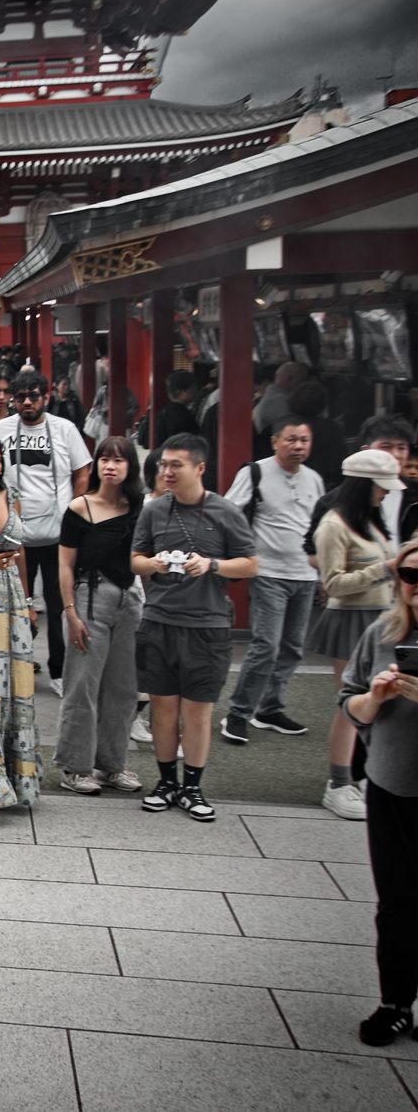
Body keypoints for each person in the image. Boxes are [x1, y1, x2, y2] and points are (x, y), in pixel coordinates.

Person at [130, 434, 257, 823]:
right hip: (159, 620)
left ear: (200, 468)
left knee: (199, 711)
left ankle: (193, 787)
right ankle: (166, 782)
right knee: (163, 709)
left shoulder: (225, 511)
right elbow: (135, 559)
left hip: (207, 625)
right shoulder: (154, 510)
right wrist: (152, 563)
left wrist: (211, 564)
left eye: (176, 465)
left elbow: (250, 564)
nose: (167, 472)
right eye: (164, 464)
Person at [338, 538, 418, 1047]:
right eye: (410, 575)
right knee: (397, 900)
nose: (417, 586)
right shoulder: (383, 633)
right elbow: (349, 702)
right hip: (391, 783)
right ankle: (395, 1003)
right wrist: (375, 698)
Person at [309, 450, 402, 821]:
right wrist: (386, 569)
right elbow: (333, 584)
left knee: (379, 702)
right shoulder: (334, 524)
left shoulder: (370, 520)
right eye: (381, 486)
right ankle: (338, 783)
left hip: (382, 617)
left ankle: (362, 775)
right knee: (350, 704)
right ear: (364, 485)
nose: (387, 492)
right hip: (350, 618)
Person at [0, 370, 92, 695]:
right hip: (13, 535)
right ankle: (17, 665)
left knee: (60, 604)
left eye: (34, 396)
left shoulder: (64, 429)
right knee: (15, 603)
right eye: (21, 397)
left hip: (58, 534)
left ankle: (59, 670)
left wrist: (74, 512)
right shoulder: (0, 430)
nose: (27, 402)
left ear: (46, 397)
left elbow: (82, 472)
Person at [221, 417, 323, 746]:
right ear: (275, 441)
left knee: (292, 647)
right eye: (291, 439)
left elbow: (319, 528)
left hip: (306, 574)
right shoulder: (255, 473)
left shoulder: (315, 479)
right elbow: (228, 513)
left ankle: (270, 708)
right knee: (266, 645)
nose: (298, 446)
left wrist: (323, 574)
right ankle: (238, 713)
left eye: (304, 440)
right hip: (268, 573)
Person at [55, 436, 143, 796]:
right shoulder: (80, 507)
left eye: (118, 460)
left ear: (130, 467)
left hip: (129, 600)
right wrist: (70, 612)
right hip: (89, 598)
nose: (110, 466)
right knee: (82, 686)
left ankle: (111, 765)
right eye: (104, 459)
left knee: (123, 688)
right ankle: (76, 768)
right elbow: (65, 564)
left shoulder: (140, 507)